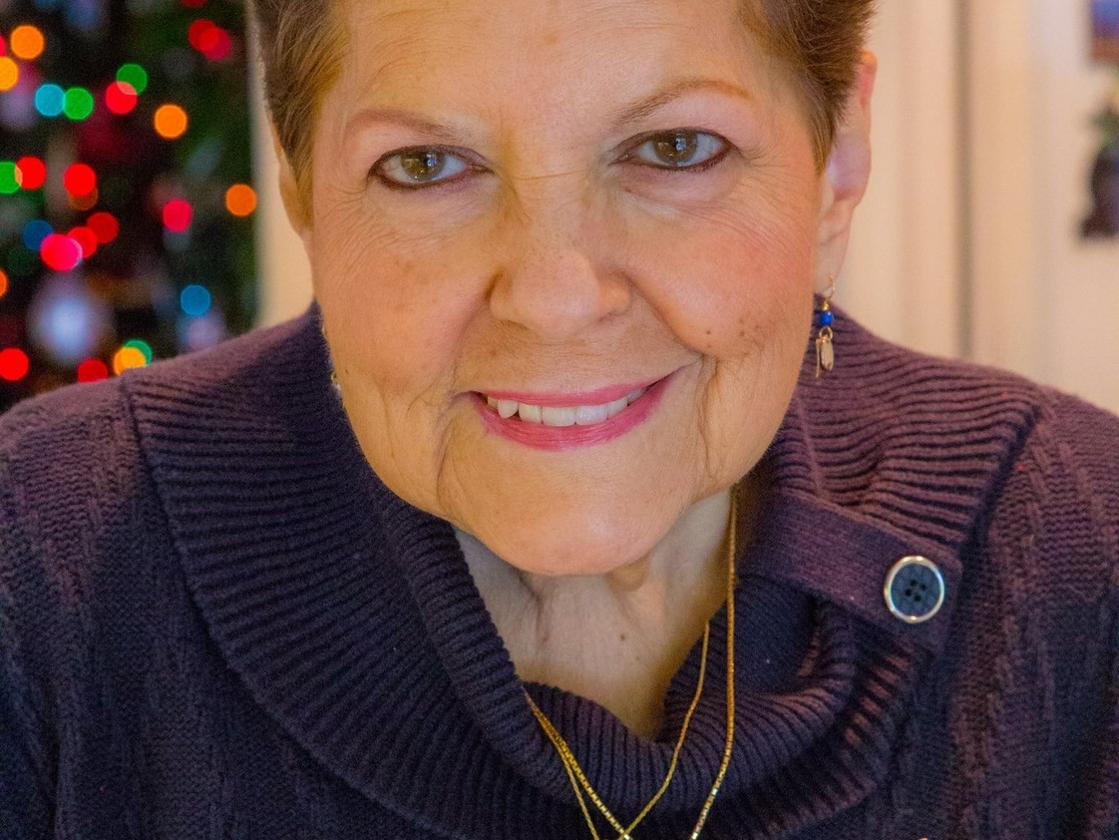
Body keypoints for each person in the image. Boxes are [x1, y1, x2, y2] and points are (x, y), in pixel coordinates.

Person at [2, 0, 1117, 837]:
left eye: (674, 148)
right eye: (427, 165)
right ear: (299, 184)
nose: (552, 296)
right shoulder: (36, 565)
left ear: (838, 161)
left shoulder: (1084, 545)